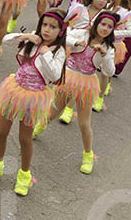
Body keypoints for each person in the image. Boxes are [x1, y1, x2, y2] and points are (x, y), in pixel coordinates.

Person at [0, 11, 67, 195]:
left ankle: (24, 175)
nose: (47, 30)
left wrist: (46, 54)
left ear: (61, 31)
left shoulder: (58, 51)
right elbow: (7, 40)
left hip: (33, 98)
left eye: (53, 27)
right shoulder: (34, 39)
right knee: (0, 131)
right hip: (14, 90)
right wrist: (25, 36)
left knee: (24, 139)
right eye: (45, 25)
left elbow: (55, 75)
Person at [40, 9, 116, 174]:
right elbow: (64, 36)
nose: (105, 28)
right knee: (54, 110)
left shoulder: (108, 47)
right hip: (68, 78)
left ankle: (88, 155)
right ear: (96, 24)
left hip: (87, 83)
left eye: (109, 26)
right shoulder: (82, 33)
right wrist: (76, 43)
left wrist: (104, 55)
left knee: (84, 123)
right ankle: (40, 126)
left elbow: (110, 72)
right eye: (103, 24)